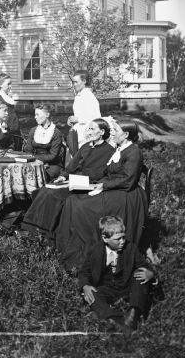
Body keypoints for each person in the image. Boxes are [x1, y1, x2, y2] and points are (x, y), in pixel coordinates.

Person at [56, 119, 148, 271]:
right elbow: (109, 172)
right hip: (115, 188)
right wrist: (90, 182)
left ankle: (89, 250)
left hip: (126, 195)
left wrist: (103, 185)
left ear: (125, 135)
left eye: (115, 130)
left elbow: (128, 180)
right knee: (73, 200)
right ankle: (68, 245)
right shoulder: (120, 148)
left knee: (82, 205)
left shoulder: (133, 152)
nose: (112, 132)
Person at [20, 119, 114, 240]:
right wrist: (63, 176)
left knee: (54, 195)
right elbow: (72, 166)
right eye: (88, 128)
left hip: (88, 185)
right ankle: (31, 228)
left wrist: (77, 179)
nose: (88, 132)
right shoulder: (86, 146)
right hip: (74, 181)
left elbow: (100, 174)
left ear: (101, 132)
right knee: (44, 190)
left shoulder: (109, 151)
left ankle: (44, 234)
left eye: (92, 129)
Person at [79, 216, 156, 333]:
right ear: (105, 238)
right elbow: (84, 271)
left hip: (127, 288)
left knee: (140, 274)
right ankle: (114, 319)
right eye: (118, 239)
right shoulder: (95, 250)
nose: (122, 241)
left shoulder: (130, 248)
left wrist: (150, 273)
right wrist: (85, 286)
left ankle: (133, 315)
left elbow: (145, 265)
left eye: (124, 237)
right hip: (107, 289)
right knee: (92, 294)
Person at [25, 103, 64, 180]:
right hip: (33, 162)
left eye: (37, 114)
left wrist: (39, 160)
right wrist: (34, 161)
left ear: (47, 115)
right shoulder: (33, 130)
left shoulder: (56, 132)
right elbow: (28, 150)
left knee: (41, 176)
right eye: (35, 115)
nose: (35, 117)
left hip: (52, 165)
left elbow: (53, 155)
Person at [67, 70, 101, 154]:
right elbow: (81, 113)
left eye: (76, 82)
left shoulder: (89, 96)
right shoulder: (80, 95)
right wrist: (71, 119)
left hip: (86, 134)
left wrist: (78, 119)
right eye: (73, 82)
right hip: (79, 132)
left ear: (84, 81)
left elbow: (96, 117)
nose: (74, 85)